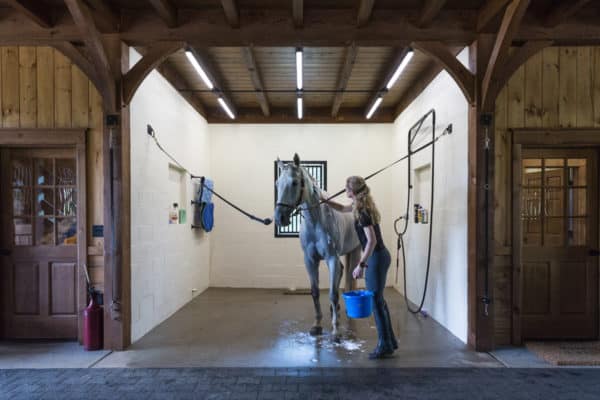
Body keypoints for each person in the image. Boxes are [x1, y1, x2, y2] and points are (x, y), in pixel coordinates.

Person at [322, 176, 398, 359]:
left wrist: (361, 264)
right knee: (380, 301)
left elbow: (371, 241)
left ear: (353, 191)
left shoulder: (363, 212)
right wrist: (324, 200)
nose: (344, 190)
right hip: (378, 256)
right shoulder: (358, 207)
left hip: (377, 257)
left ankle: (383, 345)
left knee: (376, 302)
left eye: (346, 188)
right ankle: (389, 341)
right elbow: (341, 208)